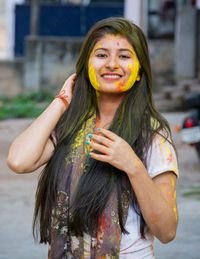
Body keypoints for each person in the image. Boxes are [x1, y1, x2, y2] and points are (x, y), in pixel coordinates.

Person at [7, 17, 179, 259]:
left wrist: (132, 165)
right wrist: (62, 100)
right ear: (86, 65)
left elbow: (167, 231)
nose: (111, 64)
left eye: (124, 56)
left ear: (140, 72)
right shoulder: (70, 127)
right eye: (101, 55)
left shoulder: (153, 134)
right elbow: (18, 161)